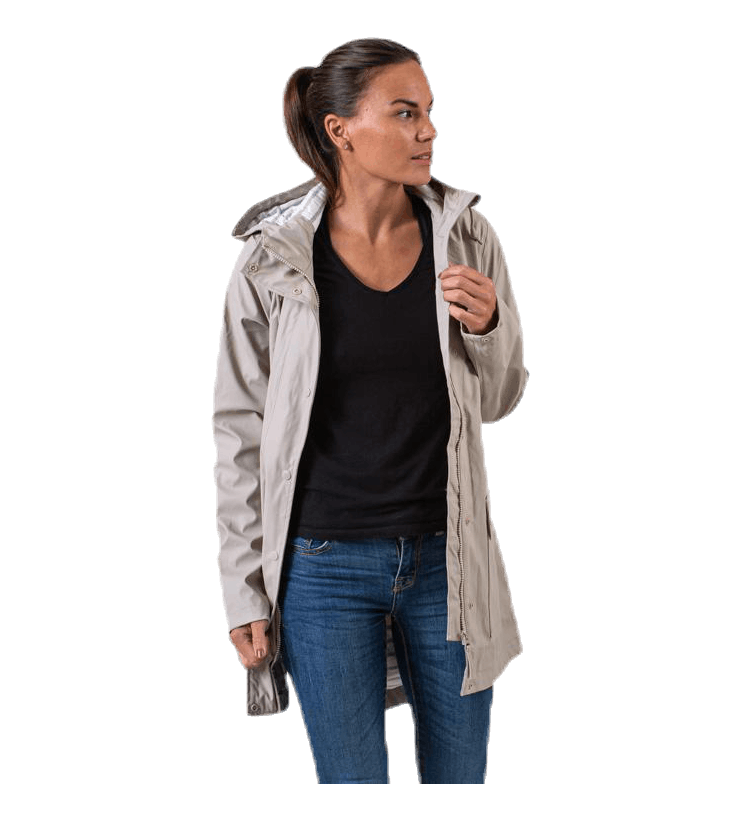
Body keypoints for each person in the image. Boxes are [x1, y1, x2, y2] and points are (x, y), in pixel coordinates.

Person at [213, 37, 527, 784]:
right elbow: (239, 432)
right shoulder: (273, 256)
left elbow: (499, 401)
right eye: (404, 113)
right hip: (320, 567)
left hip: (449, 560)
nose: (428, 131)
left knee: (460, 776)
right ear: (340, 129)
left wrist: (488, 328)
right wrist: (241, 588)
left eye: (430, 113)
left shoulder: (467, 237)